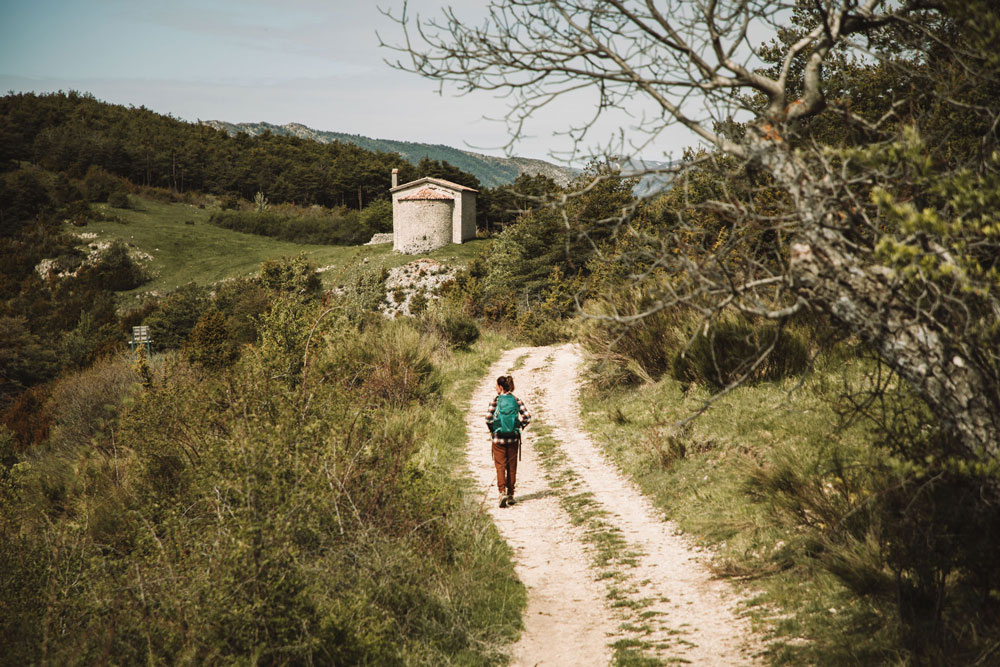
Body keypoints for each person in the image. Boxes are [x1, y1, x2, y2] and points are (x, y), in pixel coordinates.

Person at [485, 375, 531, 508]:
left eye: (496, 386)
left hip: (498, 439)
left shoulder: (496, 400)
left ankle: (502, 492)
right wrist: (519, 427)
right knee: (512, 466)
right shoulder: (516, 400)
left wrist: (493, 430)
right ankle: (511, 494)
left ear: (500, 387)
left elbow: (488, 419)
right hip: (513, 437)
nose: (495, 388)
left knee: (500, 466)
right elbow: (527, 416)